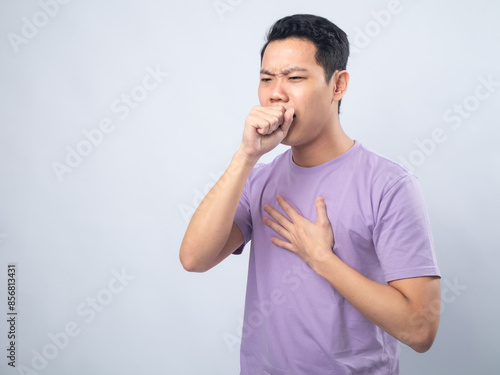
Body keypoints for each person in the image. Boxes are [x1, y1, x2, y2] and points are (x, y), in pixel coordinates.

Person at [179, 14, 441, 375]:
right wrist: (246, 156)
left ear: (338, 85)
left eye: (295, 78)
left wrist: (322, 259)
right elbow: (194, 258)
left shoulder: (389, 186)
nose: (276, 93)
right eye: (267, 78)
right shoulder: (258, 179)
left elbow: (420, 329)